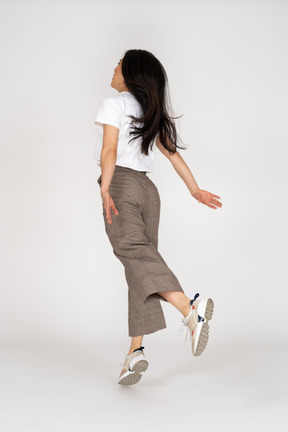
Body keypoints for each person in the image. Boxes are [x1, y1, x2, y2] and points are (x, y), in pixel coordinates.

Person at [94, 49, 222, 386]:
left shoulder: (114, 103)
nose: (114, 65)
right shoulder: (150, 111)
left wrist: (105, 186)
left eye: (119, 62)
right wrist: (195, 190)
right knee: (139, 266)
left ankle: (188, 309)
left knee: (135, 256)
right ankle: (134, 352)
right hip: (149, 193)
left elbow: (109, 150)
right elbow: (173, 156)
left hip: (121, 183)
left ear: (132, 73)